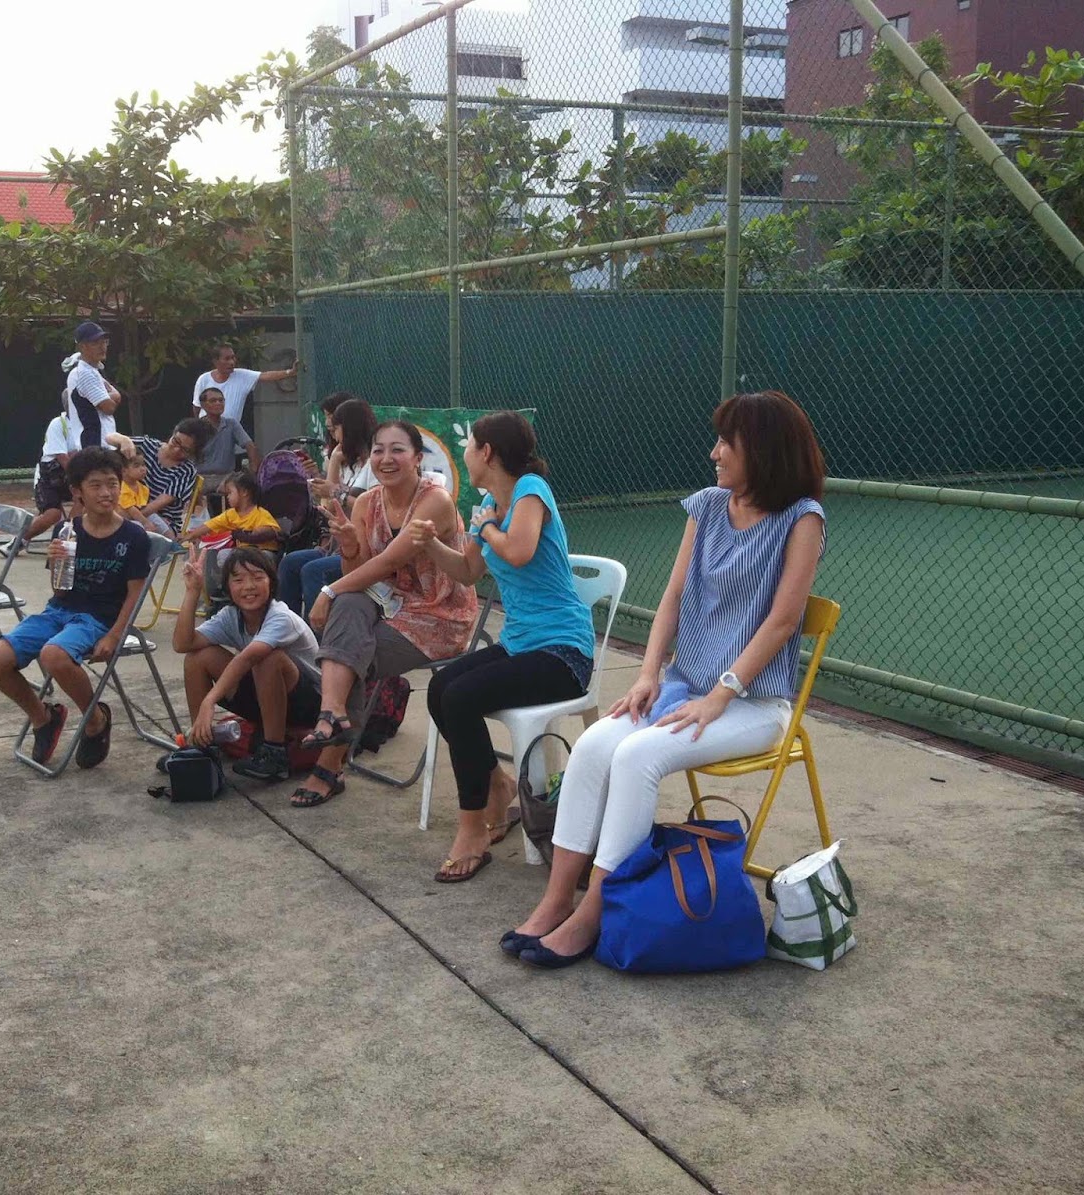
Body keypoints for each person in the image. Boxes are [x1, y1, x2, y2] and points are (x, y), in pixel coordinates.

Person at [504, 390, 826, 970]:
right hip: (684, 687)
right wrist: (648, 674)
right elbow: (672, 599)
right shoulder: (707, 506)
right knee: (596, 744)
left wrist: (721, 695)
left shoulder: (802, 519)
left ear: (762, 449)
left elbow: (782, 621)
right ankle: (556, 900)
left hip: (754, 703)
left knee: (638, 756)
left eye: (726, 442)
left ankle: (594, 914)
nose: (714, 453)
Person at [409, 411, 595, 882]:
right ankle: (498, 785)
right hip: (520, 644)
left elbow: (518, 550)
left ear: (487, 452)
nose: (467, 455)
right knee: (441, 689)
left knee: (462, 697)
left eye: (470, 446)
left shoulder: (531, 490)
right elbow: (468, 571)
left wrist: (488, 526)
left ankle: (472, 828)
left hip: (563, 652)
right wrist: (430, 544)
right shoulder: (489, 503)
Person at [293, 420, 479, 807]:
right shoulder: (366, 502)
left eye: (397, 450)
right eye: (378, 450)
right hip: (388, 604)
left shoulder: (435, 501)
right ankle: (333, 714)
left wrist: (327, 591)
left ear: (417, 458)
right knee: (350, 606)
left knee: (352, 646)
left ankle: (328, 762)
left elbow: (388, 563)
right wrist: (348, 547)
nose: (386, 458)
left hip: (438, 615)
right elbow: (359, 571)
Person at [0, 446, 152, 768]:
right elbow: (60, 591)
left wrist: (115, 635)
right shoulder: (67, 531)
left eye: (112, 484)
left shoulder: (133, 537)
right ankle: (43, 718)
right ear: (78, 492)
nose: (106, 493)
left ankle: (95, 719)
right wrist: (56, 562)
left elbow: (135, 594)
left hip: (99, 619)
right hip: (59, 611)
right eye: (96, 485)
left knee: (53, 655)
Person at [172, 544, 323, 782]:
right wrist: (192, 591)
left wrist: (209, 701)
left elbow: (248, 657)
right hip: (267, 698)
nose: (249, 586)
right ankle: (201, 745)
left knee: (268, 658)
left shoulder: (281, 617)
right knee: (197, 658)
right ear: (228, 587)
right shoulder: (231, 616)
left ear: (271, 583)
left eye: (257, 577)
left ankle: (274, 753)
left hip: (309, 705)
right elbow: (183, 643)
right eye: (238, 580)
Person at [280, 396, 377, 613]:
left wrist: (335, 492)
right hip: (337, 546)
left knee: (313, 570)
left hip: (364, 548)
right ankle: (290, 627)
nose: (332, 432)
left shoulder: (373, 464)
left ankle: (319, 631)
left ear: (349, 428)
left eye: (336, 427)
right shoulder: (348, 463)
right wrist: (334, 461)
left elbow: (373, 509)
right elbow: (329, 508)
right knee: (290, 563)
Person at [106, 419, 212, 533]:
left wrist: (123, 518)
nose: (176, 449)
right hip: (126, 509)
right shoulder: (147, 446)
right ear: (173, 433)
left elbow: (155, 506)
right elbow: (109, 438)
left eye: (185, 450)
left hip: (159, 521)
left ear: (193, 453)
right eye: (176, 441)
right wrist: (124, 440)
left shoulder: (186, 471)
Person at [3, 412, 71, 558]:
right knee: (53, 514)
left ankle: (73, 542)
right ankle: (19, 541)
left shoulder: (96, 423)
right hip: (48, 478)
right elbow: (63, 458)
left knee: (85, 499)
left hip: (73, 477)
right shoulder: (59, 423)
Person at [191, 343, 299, 425]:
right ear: (216, 361)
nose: (232, 362)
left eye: (233, 357)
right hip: (206, 430)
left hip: (230, 432)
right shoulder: (204, 379)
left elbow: (265, 375)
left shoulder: (242, 376)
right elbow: (196, 406)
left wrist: (290, 372)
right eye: (227, 359)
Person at [195, 387, 261, 515]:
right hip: (200, 478)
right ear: (203, 405)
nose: (218, 403)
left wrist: (254, 471)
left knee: (244, 491)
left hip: (226, 477)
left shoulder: (231, 424)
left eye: (221, 400)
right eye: (213, 401)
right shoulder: (195, 427)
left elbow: (250, 446)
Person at [62, 321, 120, 449]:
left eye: (104, 342)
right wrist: (114, 395)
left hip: (99, 446)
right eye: (95, 343)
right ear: (82, 347)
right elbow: (109, 407)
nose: (102, 347)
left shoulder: (91, 371)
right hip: (95, 446)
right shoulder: (85, 373)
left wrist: (109, 397)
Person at [116, 445, 167, 535]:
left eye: (143, 465)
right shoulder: (122, 487)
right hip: (122, 519)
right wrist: (146, 523)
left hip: (138, 516)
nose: (143, 469)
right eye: (137, 466)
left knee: (155, 518)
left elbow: (142, 507)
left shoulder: (143, 488)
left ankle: (171, 540)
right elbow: (132, 510)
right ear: (124, 470)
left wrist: (159, 520)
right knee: (139, 526)